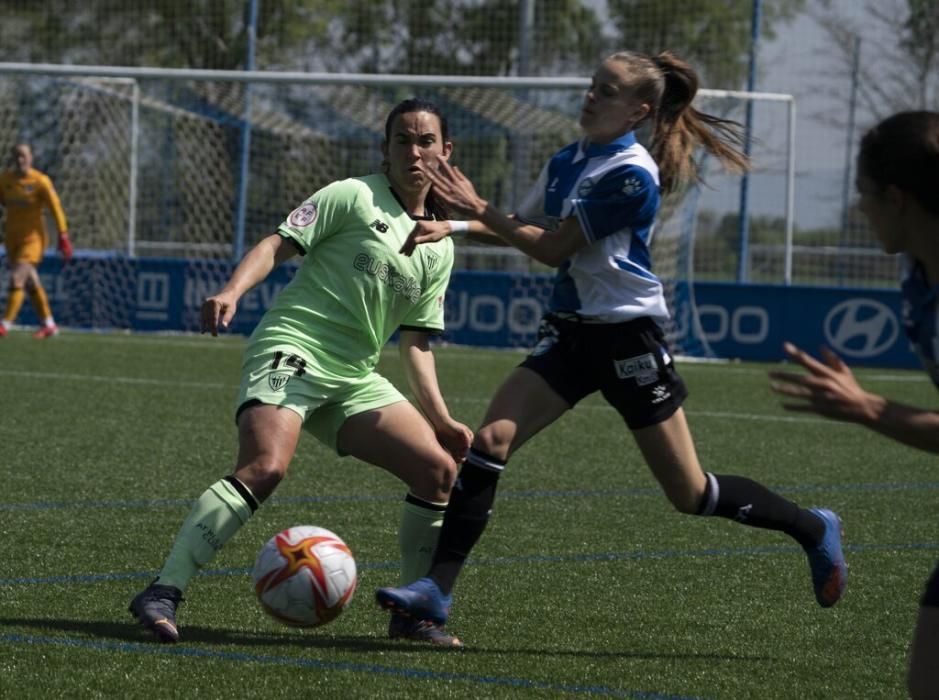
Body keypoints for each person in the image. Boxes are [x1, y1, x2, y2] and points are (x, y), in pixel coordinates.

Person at [375, 50, 847, 642]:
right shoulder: (567, 160)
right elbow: (527, 220)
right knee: (490, 441)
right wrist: (461, 225)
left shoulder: (632, 172)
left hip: (629, 337)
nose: (590, 97)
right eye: (592, 85)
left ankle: (812, 527)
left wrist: (476, 210)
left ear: (639, 111)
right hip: (572, 333)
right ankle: (435, 593)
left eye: (607, 91)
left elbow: (554, 248)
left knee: (691, 492)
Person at [129, 98, 473, 648]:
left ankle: (413, 614)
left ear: (445, 151)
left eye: (426, 141)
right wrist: (232, 290)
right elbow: (274, 245)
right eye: (402, 141)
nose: (415, 151)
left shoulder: (441, 245)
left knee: (437, 470)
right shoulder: (353, 195)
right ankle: (163, 592)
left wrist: (443, 419)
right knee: (266, 467)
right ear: (385, 152)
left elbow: (417, 343)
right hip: (293, 347)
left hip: (353, 375)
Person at [768, 111, 939, 700]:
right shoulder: (918, 280)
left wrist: (867, 407)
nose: (859, 209)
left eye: (863, 195)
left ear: (896, 198)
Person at [0, 143, 72, 339]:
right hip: (12, 240)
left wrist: (63, 235)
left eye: (23, 156)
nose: (20, 160)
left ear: (31, 157)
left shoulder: (41, 181)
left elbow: (56, 209)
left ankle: (5, 324)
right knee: (31, 283)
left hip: (33, 240)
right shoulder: (5, 180)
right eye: (16, 156)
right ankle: (50, 324)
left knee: (17, 279)